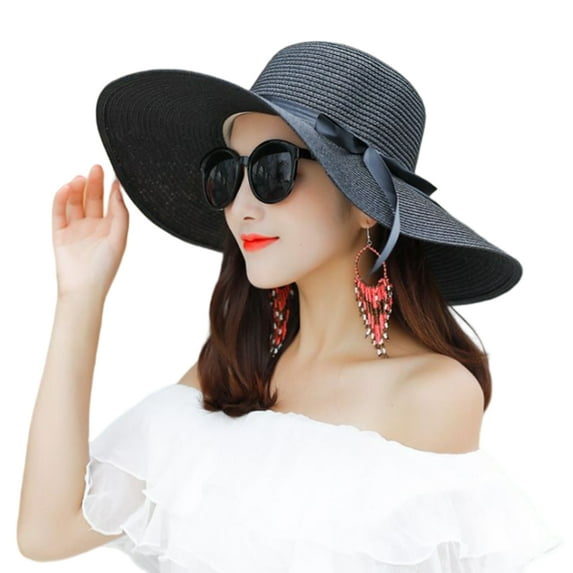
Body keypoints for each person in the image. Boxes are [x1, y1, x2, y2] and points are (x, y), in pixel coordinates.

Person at [18, 41, 561, 571]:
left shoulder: (431, 394)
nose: (241, 207)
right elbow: (48, 531)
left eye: (272, 170)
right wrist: (79, 296)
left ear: (366, 205)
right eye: (226, 174)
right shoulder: (230, 377)